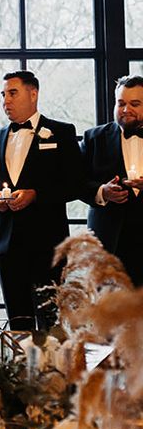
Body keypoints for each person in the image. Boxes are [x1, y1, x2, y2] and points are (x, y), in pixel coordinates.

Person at [0, 71, 83, 331]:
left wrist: (37, 194)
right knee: (17, 322)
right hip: (6, 246)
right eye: (3, 95)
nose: (5, 101)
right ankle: (21, 372)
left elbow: (75, 184)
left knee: (51, 322)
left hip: (48, 245)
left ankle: (52, 372)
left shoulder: (61, 132)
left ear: (33, 94)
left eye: (12, 93)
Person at [81, 75, 143, 286]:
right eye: (121, 103)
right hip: (108, 246)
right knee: (108, 316)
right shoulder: (94, 138)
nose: (126, 110)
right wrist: (102, 192)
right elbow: (75, 182)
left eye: (134, 104)